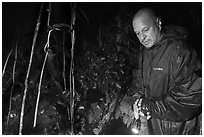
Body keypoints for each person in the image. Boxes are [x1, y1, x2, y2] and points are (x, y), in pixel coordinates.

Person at [132, 8, 202, 135]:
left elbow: (191, 97)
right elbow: (139, 81)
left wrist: (150, 107)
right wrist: (137, 101)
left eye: (146, 30)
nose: (142, 38)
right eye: (137, 33)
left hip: (178, 129)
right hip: (154, 126)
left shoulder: (180, 50)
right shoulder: (144, 51)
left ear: (158, 23)